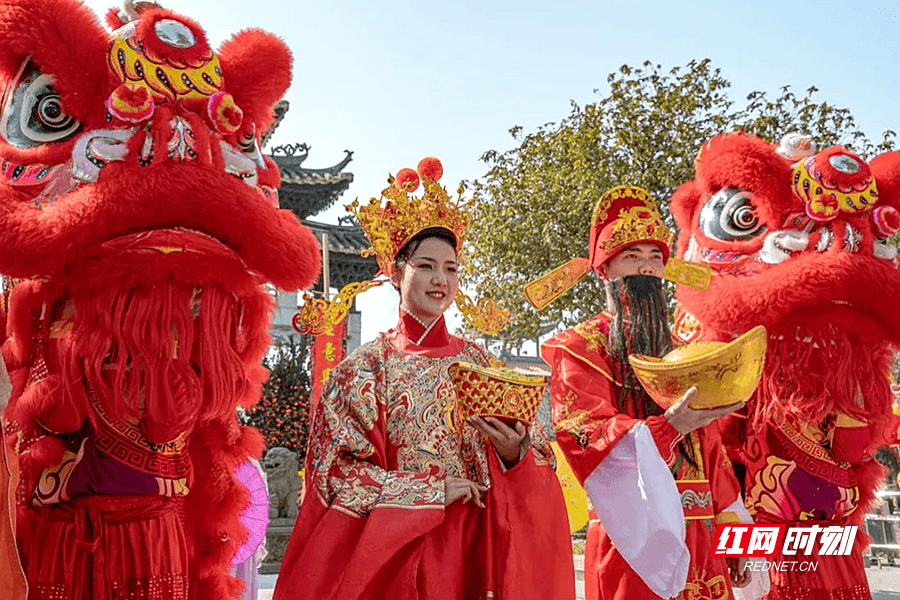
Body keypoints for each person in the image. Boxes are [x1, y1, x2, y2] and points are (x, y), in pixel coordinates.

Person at [273, 157, 575, 600]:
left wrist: (515, 453)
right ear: (396, 272)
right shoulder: (362, 372)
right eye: (427, 266)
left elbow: (540, 453)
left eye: (451, 269)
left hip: (473, 547)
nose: (441, 280)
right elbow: (336, 474)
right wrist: (427, 491)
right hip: (398, 551)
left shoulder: (482, 366)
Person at [540, 186, 759, 600]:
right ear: (605, 268)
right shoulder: (580, 347)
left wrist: (735, 532)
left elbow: (709, 443)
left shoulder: (682, 350)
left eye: (655, 257)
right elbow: (583, 433)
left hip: (703, 531)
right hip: (632, 534)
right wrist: (669, 426)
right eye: (631, 256)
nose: (645, 267)